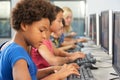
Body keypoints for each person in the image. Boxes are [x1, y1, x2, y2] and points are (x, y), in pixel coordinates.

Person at [0, 0, 80, 80]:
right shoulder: (17, 53)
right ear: (24, 25)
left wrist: (52, 70)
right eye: (41, 30)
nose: (45, 36)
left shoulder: (13, 46)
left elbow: (30, 74)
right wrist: (58, 76)